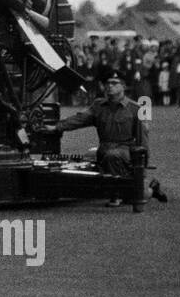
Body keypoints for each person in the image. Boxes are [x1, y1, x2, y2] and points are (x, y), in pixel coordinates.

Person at [52, 72, 164, 207]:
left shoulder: (136, 109)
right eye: (108, 83)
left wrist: (142, 168)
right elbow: (80, 119)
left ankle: (120, 194)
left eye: (114, 83)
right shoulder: (98, 106)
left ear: (123, 86)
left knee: (134, 193)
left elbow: (142, 140)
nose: (110, 86)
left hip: (124, 150)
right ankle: (117, 189)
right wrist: (57, 127)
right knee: (89, 156)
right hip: (104, 148)